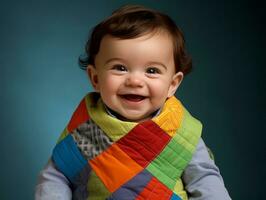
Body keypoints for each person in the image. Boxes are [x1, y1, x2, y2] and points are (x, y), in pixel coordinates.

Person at [35, 5, 231, 200]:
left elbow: (205, 181)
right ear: (95, 78)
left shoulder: (180, 130)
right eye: (120, 68)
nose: (135, 81)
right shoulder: (88, 129)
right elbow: (57, 176)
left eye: (152, 71)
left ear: (172, 84)